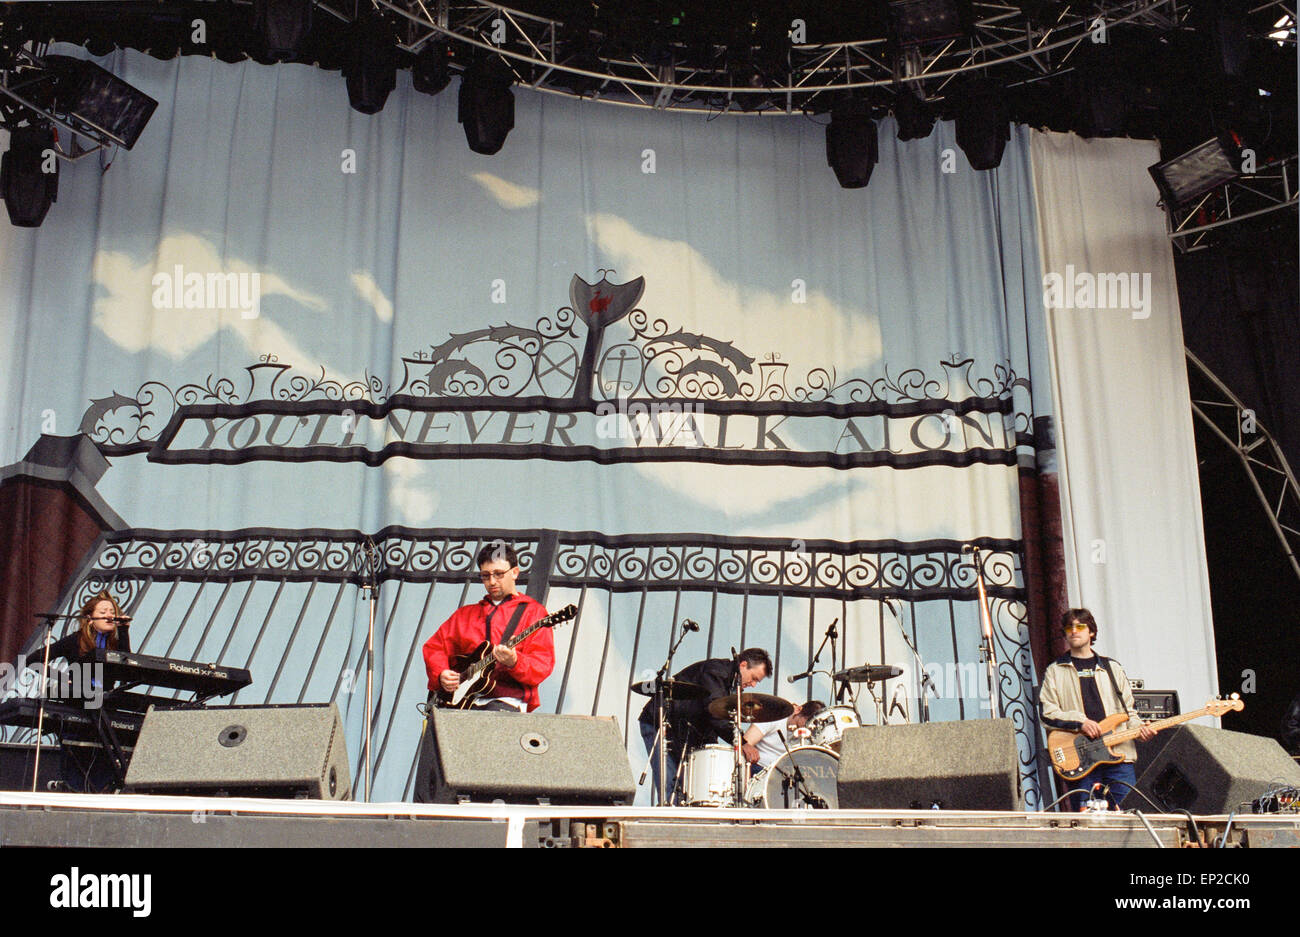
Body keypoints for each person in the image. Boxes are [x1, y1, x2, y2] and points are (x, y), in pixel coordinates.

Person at [1039, 607, 1154, 810]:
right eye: (1069, 627)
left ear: (1091, 632)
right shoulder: (1055, 670)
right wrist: (1080, 722)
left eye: (1080, 626)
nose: (1074, 630)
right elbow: (1046, 713)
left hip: (1119, 757)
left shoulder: (1113, 668)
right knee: (1088, 822)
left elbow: (1129, 714)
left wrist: (1140, 730)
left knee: (1129, 817)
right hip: (1081, 760)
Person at [421, 542, 554, 712]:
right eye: (485, 575)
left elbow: (542, 664)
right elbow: (435, 648)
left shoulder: (534, 613)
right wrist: (441, 674)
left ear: (515, 572)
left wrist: (515, 662)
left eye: (498, 574)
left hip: (506, 700)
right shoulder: (465, 614)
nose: (492, 582)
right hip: (460, 702)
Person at [637, 647, 772, 803]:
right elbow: (714, 713)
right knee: (670, 784)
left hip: (682, 731)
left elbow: (710, 719)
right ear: (743, 665)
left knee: (687, 789)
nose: (754, 684)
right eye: (754, 678)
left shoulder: (729, 682)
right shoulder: (715, 672)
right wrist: (743, 743)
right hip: (660, 723)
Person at [35, 591, 131, 793]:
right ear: (89, 619)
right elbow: (34, 661)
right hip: (78, 704)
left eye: (112, 611)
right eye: (103, 611)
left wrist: (124, 630)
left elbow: (127, 667)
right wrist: (63, 679)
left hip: (103, 705)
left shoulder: (114, 643)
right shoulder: (75, 641)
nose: (109, 615)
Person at [743, 700, 825, 772]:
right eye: (806, 723)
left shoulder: (810, 734)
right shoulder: (774, 715)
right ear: (798, 710)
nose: (807, 729)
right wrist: (747, 747)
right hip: (758, 768)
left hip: (783, 775)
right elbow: (746, 743)